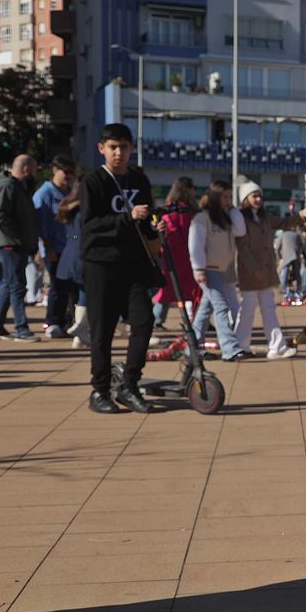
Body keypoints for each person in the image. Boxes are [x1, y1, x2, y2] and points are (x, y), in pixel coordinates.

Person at [80, 124, 157, 412]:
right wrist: (127, 217)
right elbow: (90, 227)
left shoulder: (139, 179)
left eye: (124, 147)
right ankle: (99, 391)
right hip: (101, 264)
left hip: (134, 264)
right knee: (103, 330)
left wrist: (154, 225)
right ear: (102, 149)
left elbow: (147, 216)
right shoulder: (94, 180)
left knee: (143, 321)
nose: (119, 153)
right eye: (113, 147)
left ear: (131, 149)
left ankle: (130, 384)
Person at [188, 180, 252, 362]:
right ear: (215, 196)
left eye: (230, 196)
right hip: (208, 269)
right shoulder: (202, 218)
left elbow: (240, 230)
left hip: (224, 269)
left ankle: (191, 347)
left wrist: (232, 210)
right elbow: (195, 245)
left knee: (204, 310)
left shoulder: (226, 217)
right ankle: (229, 348)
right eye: (224, 196)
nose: (228, 200)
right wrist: (199, 269)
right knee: (221, 308)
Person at [233, 181, 293, 358]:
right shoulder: (241, 218)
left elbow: (284, 222)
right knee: (248, 309)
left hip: (265, 271)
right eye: (254, 196)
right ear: (245, 199)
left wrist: (302, 216)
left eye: (259, 195)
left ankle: (276, 346)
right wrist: (254, 269)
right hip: (251, 272)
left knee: (268, 308)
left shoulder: (265, 217)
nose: (258, 199)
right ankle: (241, 345)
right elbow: (242, 248)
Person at [0, 155, 40, 340]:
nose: (35, 174)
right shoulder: (8, 186)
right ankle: (21, 327)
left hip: (15, 243)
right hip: (10, 244)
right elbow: (0, 214)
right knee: (17, 285)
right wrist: (15, 236)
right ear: (25, 169)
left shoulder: (18, 187)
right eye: (33, 170)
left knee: (9, 285)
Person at [33, 155, 77, 337]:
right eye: (65, 172)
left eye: (71, 173)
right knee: (58, 286)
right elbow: (40, 224)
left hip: (71, 248)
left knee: (73, 288)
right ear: (55, 170)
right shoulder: (44, 194)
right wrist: (47, 247)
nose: (69, 176)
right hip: (54, 249)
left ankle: (69, 322)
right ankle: (52, 321)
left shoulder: (72, 193)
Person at [152, 178, 200, 330]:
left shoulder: (169, 209)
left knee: (170, 288)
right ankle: (197, 319)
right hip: (186, 255)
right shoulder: (189, 210)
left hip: (174, 255)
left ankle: (158, 320)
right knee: (191, 289)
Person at [54, 181, 90, 348]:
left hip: (70, 252)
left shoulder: (68, 206)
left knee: (78, 293)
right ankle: (80, 329)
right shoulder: (85, 208)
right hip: (83, 253)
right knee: (86, 293)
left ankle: (79, 332)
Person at [276, 216, 304, 302]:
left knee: (285, 272)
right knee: (297, 273)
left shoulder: (282, 235)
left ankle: (283, 288)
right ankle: (299, 288)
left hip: (286, 255)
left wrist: (279, 257)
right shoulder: (296, 235)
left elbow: (277, 247)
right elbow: (300, 246)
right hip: (295, 255)